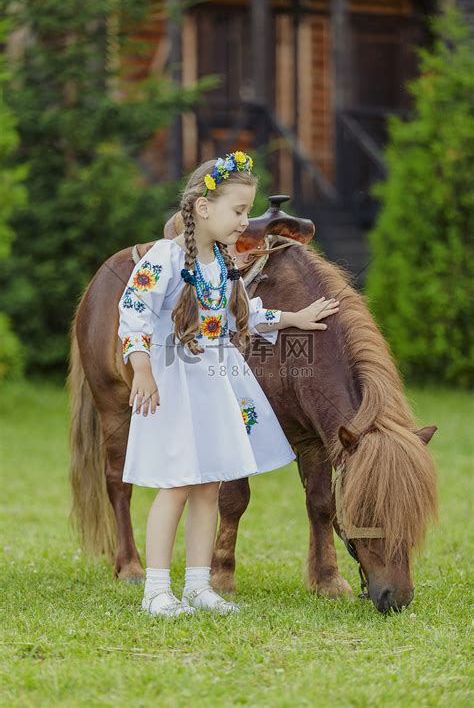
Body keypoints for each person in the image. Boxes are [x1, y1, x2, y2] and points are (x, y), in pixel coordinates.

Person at [117, 151, 339, 618]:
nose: (246, 221)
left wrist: (293, 317)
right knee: (177, 483)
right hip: (173, 384)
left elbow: (241, 313)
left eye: (247, 210)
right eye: (239, 211)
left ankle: (198, 585)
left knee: (208, 484)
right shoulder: (165, 257)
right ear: (203, 208)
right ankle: (157, 590)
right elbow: (133, 310)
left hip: (215, 387)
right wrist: (141, 368)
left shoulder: (220, 262)